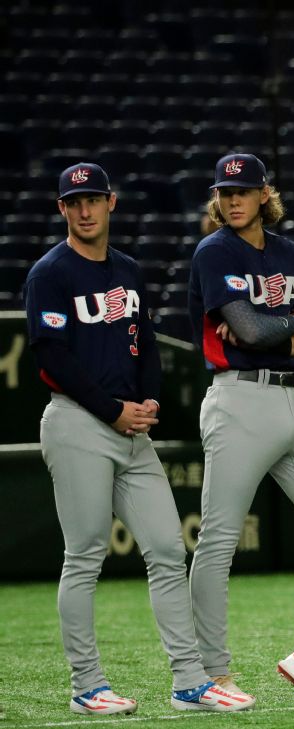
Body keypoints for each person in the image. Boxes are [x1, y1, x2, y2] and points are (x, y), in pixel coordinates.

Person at [25, 163, 254, 716]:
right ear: (62, 210)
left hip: (130, 428)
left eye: (92, 200)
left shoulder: (125, 269)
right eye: (73, 203)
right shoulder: (50, 273)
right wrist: (111, 411)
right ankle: (86, 686)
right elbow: (51, 357)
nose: (84, 211)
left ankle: (190, 681)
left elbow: (144, 343)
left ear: (111, 204)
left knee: (168, 549)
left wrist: (148, 401)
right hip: (80, 423)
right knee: (83, 556)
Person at [187, 153, 294, 702]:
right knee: (218, 542)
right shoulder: (214, 250)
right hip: (238, 401)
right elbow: (245, 330)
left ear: (264, 194)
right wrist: (291, 327)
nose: (232, 199)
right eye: (224, 191)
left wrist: (277, 330)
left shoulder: (292, 254)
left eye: (242, 190)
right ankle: (211, 673)